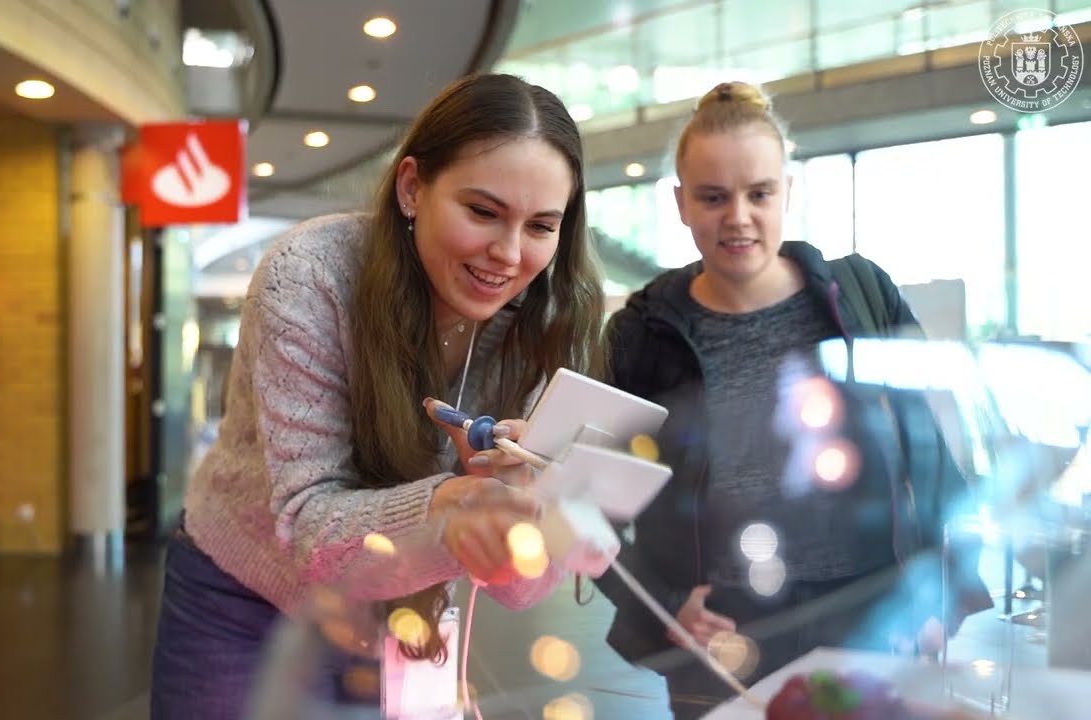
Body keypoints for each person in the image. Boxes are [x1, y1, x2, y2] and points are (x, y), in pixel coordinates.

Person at [150, 72, 606, 719]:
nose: (507, 254)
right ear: (413, 187)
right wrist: (456, 504)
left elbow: (523, 593)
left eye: (540, 226)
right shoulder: (309, 276)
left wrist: (527, 512)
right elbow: (307, 535)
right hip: (245, 595)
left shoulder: (551, 320)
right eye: (482, 212)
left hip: (399, 608)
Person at [593, 81, 990, 718]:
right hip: (724, 629)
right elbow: (590, 501)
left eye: (760, 193)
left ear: (788, 191)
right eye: (713, 197)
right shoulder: (643, 334)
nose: (739, 217)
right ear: (681, 204)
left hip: (869, 610)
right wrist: (664, 602)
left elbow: (935, 457)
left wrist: (941, 593)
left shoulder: (862, 295)